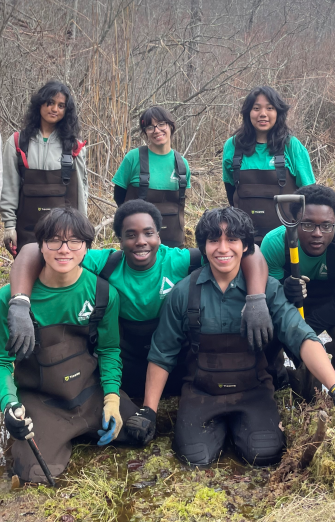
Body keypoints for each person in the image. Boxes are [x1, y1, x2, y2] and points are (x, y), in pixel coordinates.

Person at [125, 207, 335, 466]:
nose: (223, 248)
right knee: (194, 458)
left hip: (253, 390)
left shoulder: (268, 290)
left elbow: (303, 338)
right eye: (214, 240)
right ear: (204, 246)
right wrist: (149, 410)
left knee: (264, 454)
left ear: (246, 245)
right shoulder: (183, 293)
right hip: (201, 392)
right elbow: (162, 353)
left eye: (232, 239)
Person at [7, 200, 271, 400]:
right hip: (127, 358)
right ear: (119, 239)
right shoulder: (107, 262)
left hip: (171, 356)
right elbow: (33, 250)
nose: (140, 242)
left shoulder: (178, 260)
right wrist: (19, 302)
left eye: (148, 233)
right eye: (130, 235)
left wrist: (257, 299)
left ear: (159, 234)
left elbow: (250, 251)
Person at [0, 207, 137, 483]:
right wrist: (9, 404)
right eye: (54, 240)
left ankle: (84, 427)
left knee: (139, 430)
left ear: (87, 247)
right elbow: (3, 361)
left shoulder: (102, 293)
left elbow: (109, 350)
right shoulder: (9, 299)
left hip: (88, 392)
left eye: (75, 241)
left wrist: (111, 396)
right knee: (32, 473)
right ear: (41, 246)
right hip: (42, 400)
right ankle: (55, 437)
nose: (64, 250)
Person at [261, 184, 335, 388]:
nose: (318, 233)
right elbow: (268, 299)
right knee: (265, 336)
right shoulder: (275, 242)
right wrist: (284, 290)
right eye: (308, 225)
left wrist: (303, 334)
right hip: (290, 307)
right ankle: (275, 380)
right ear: (293, 223)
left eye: (326, 226)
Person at [1, 80, 88, 256]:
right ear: (39, 104)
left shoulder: (75, 147)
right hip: (26, 232)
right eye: (50, 103)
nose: (54, 109)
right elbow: (9, 187)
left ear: (66, 111)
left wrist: (82, 230)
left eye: (61, 105)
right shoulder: (17, 142)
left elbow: (81, 192)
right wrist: (9, 226)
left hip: (65, 234)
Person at [222, 86, 315, 244]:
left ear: (278, 112)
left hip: (286, 240)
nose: (262, 114)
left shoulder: (291, 146)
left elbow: (311, 195)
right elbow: (231, 190)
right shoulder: (232, 146)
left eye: (270, 108)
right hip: (243, 240)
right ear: (247, 113)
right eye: (256, 108)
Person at [113, 107, 190, 248]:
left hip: (174, 241)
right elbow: (119, 197)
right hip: (138, 244)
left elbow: (181, 203)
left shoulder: (182, 164)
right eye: (150, 127)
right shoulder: (133, 158)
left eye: (161, 124)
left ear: (170, 126)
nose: (156, 130)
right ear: (145, 132)